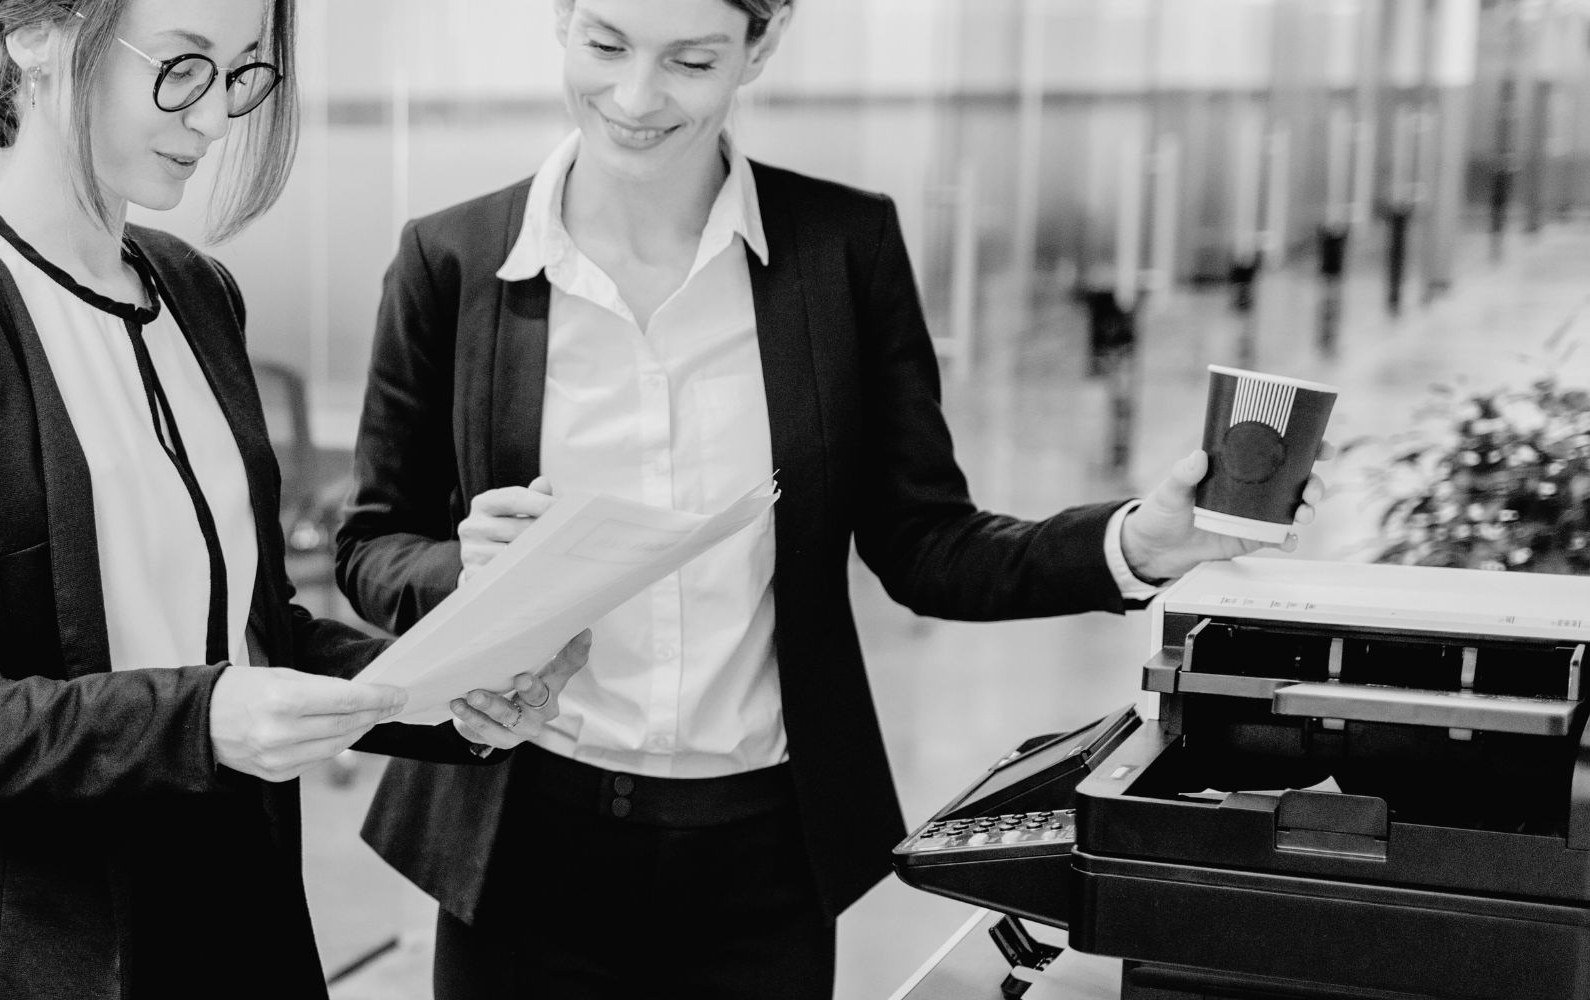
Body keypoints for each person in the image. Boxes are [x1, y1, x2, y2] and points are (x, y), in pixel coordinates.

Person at [334, 1, 1330, 997]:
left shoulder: (842, 251)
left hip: (760, 854)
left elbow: (927, 543)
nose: (635, 98)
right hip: (520, 842)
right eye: (605, 45)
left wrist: (1137, 544)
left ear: (760, 47)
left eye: (690, 59)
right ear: (562, 20)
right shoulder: (452, 259)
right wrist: (462, 567)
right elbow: (373, 544)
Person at [0, 1, 589, 996]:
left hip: (235, 901)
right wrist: (199, 718)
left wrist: (449, 697)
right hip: (36, 936)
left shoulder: (196, 292)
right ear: (36, 39)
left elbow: (257, 632)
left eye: (242, 75)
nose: (217, 117)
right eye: (181, 66)